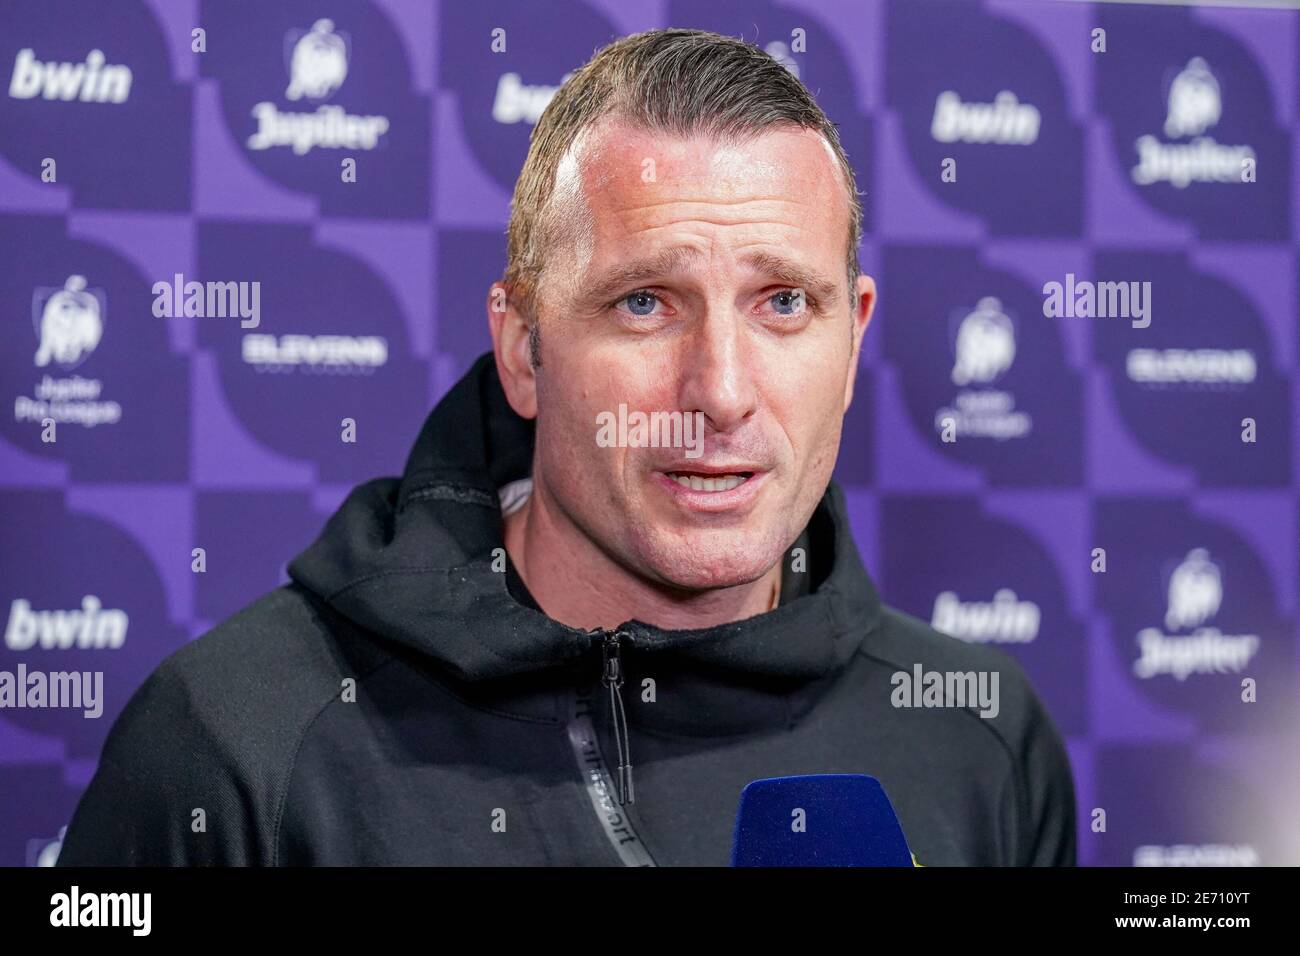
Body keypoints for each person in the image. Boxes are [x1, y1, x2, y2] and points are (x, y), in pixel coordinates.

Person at [57, 28, 1075, 866]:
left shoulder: (982, 738)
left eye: (781, 302)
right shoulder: (234, 740)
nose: (718, 392)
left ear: (851, 339)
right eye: (644, 302)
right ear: (524, 348)